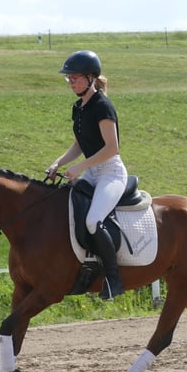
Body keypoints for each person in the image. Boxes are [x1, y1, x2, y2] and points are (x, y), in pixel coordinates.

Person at [46, 50, 128, 300]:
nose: (71, 82)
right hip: (92, 172)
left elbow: (112, 148)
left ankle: (114, 280)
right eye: (68, 79)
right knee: (68, 210)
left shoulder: (102, 105)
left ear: (91, 77)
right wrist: (58, 163)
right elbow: (79, 145)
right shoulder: (79, 107)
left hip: (111, 173)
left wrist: (79, 168)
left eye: (75, 78)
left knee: (93, 221)